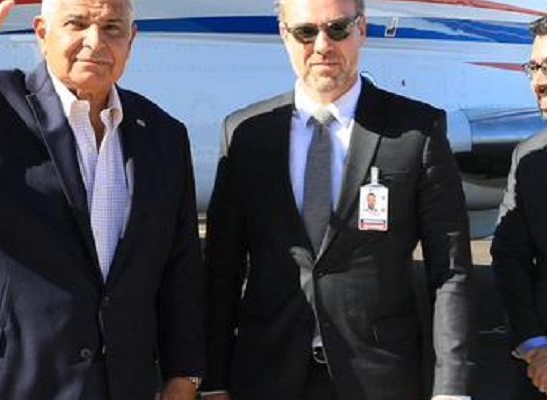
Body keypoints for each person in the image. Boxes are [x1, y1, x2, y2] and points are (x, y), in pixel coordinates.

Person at [0, 0, 204, 399]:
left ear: (132, 40)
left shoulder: (164, 135)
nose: (95, 41)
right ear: (41, 33)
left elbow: (180, 266)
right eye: (77, 24)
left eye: (112, 28)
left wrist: (184, 374)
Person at [201, 0, 472, 398]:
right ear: (284, 35)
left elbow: (450, 270)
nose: (322, 46)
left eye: (338, 29)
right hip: (266, 376)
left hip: (380, 379)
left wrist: (452, 388)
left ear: (362, 29)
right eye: (305, 32)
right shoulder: (246, 135)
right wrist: (213, 381)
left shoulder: (416, 131)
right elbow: (221, 271)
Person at [491, 16, 547, 400]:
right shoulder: (528, 159)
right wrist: (536, 345)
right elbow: (509, 257)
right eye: (534, 67)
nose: (538, 82)